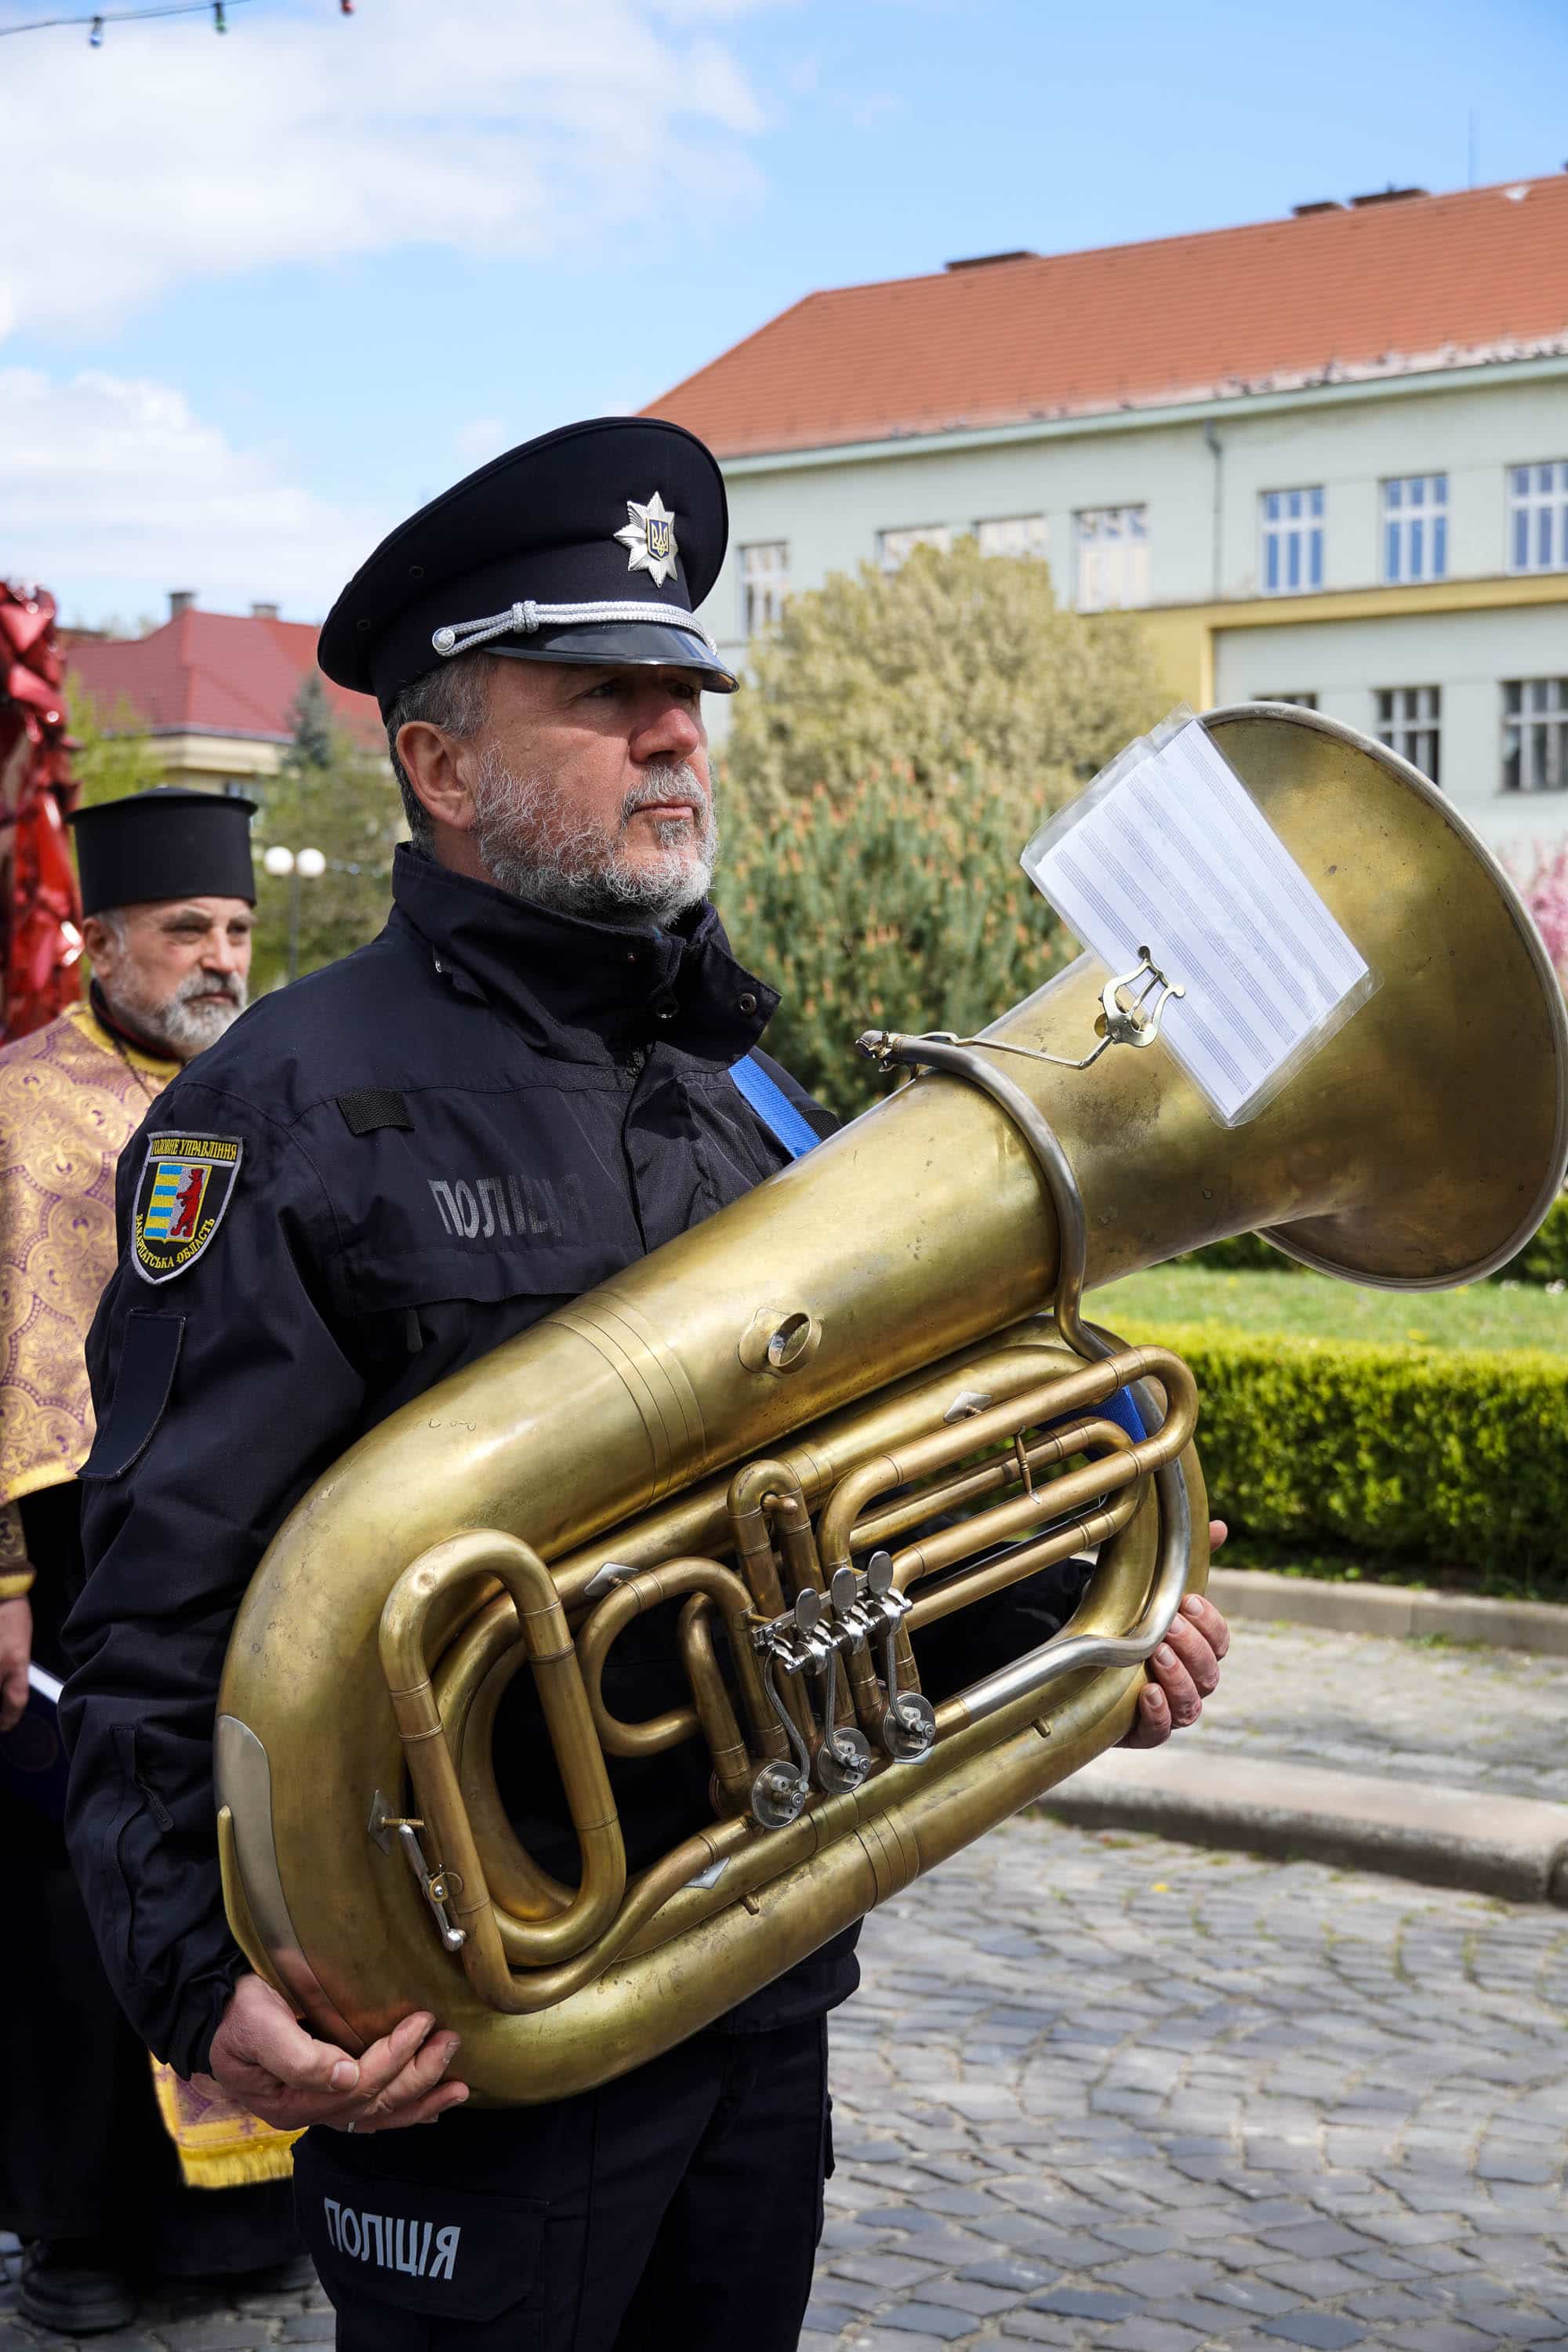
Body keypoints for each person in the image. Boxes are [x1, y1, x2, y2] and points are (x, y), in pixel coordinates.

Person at [60, 420, 1231, 2351]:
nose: (677, 731)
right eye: (606, 696)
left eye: (685, 688)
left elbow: (861, 1489)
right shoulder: (279, 1106)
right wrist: (193, 1986)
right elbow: (160, 1601)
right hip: (468, 2026)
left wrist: (1071, 1616)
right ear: (437, 764)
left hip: (753, 1981)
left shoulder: (747, 1092)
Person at [0, 788, 308, 2336]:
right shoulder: (14, 1103)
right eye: (186, 928)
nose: (218, 958)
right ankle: (78, 2233)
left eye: (238, 929)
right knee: (69, 1894)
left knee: (254, 1862)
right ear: (100, 940)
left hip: (251, 1547)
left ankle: (237, 2229)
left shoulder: (270, 1089)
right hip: (59, 1565)